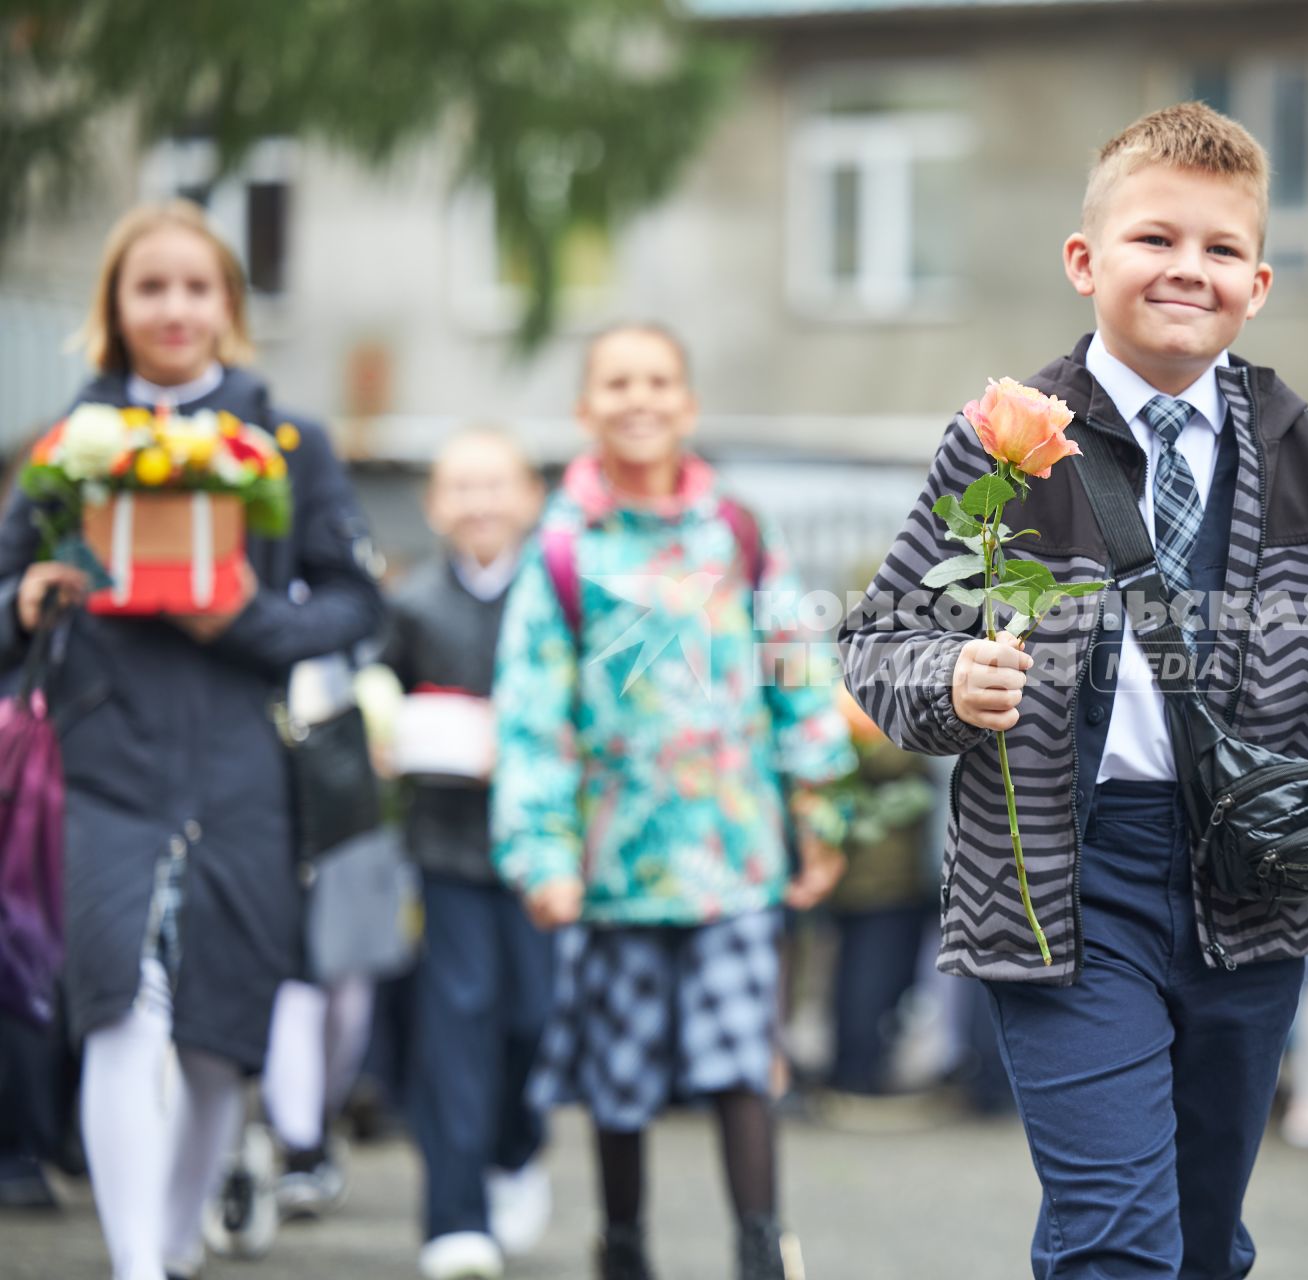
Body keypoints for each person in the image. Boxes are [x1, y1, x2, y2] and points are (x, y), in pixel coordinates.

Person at [838, 103, 1308, 1279]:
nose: (1189, 268)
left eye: (1221, 249)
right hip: (1064, 880)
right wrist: (951, 676)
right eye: (1156, 239)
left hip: (1257, 880)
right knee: (1116, 1241)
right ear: (1086, 262)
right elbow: (882, 639)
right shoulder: (1003, 444)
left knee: (1197, 1241)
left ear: (1259, 283)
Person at [0, 200, 383, 1280]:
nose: (173, 308)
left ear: (229, 304)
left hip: (243, 769)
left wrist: (243, 620)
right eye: (149, 287)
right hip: (101, 764)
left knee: (219, 1031)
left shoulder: (287, 441)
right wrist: (27, 603)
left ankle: (169, 1241)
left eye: (195, 287)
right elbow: (2, 598)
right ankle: (136, 1264)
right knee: (122, 1006)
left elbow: (359, 604)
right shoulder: (65, 447)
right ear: (113, 308)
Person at [491, 325, 856, 1280]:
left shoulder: (736, 532)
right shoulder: (564, 550)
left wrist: (818, 806)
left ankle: (760, 1250)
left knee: (743, 1062)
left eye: (659, 381)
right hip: (615, 868)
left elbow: (796, 666)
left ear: (689, 405)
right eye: (617, 382)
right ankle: (623, 1247)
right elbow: (531, 716)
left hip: (735, 855)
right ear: (586, 408)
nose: (639, 398)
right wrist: (540, 853)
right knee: (620, 1083)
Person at [383, 429, 554, 1279]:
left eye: (497, 484)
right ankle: (454, 1215)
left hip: (545, 848)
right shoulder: (409, 602)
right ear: (434, 505)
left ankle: (515, 1149)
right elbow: (377, 698)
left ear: (530, 496)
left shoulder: (560, 592)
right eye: (462, 487)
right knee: (458, 1016)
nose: (480, 502)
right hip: (447, 841)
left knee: (533, 1016)